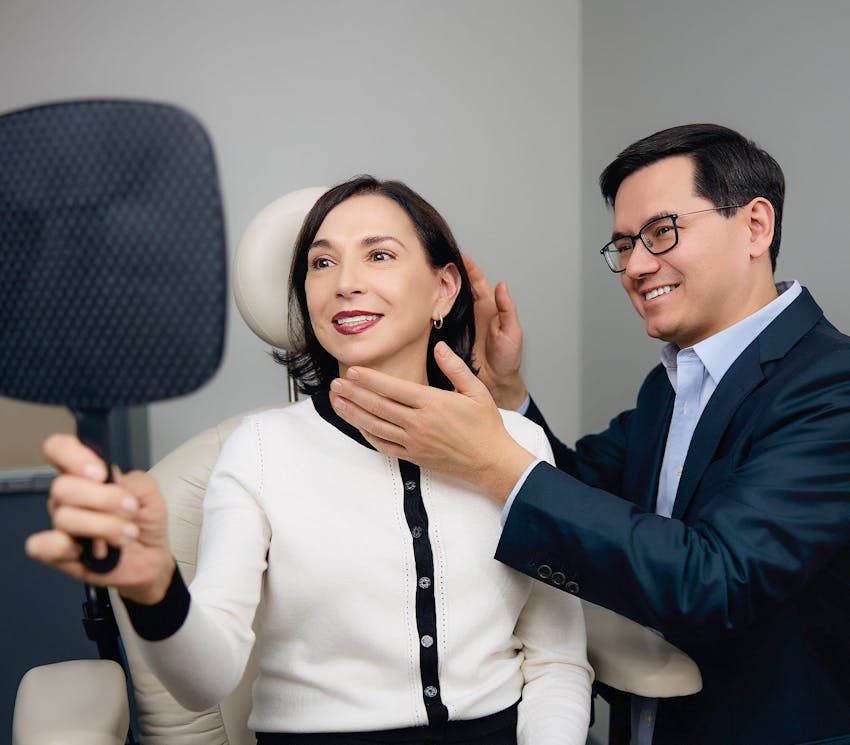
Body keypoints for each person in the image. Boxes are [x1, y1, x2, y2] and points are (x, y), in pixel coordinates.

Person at [327, 126, 850, 745]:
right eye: (625, 244)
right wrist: (507, 395)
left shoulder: (831, 385)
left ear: (755, 226)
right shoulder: (672, 383)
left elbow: (715, 580)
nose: (635, 266)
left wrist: (494, 463)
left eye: (661, 232)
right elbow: (584, 496)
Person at [26, 176, 592, 745]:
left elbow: (558, 662)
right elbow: (205, 682)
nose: (346, 283)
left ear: (443, 290)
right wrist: (156, 588)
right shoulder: (261, 451)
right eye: (321, 264)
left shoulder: (517, 443)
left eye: (379, 255)